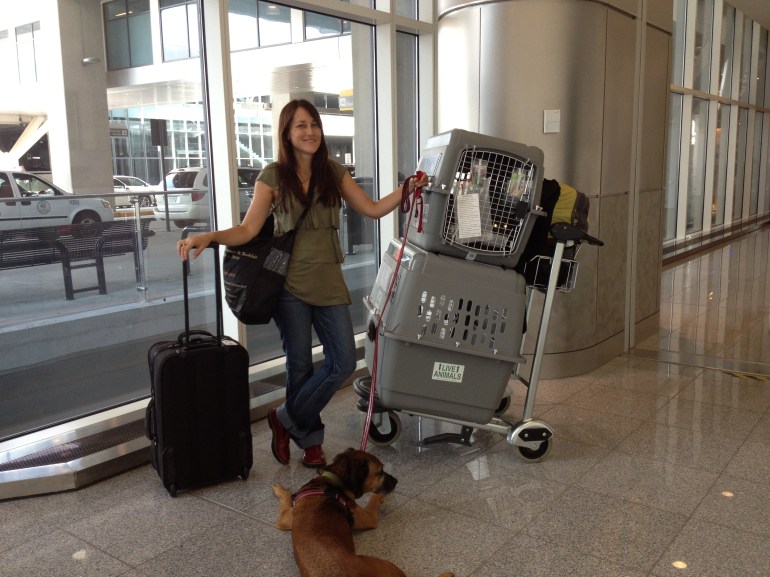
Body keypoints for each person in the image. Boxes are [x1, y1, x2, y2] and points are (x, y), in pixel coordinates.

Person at [178, 99, 428, 467]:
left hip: (329, 282)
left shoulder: (334, 171)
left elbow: (372, 209)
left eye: (314, 124)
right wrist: (210, 236)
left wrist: (408, 189)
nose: (309, 131)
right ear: (287, 133)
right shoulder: (272, 177)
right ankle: (310, 441)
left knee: (342, 362)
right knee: (298, 366)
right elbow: (248, 230)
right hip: (289, 287)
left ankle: (284, 419)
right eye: (300, 126)